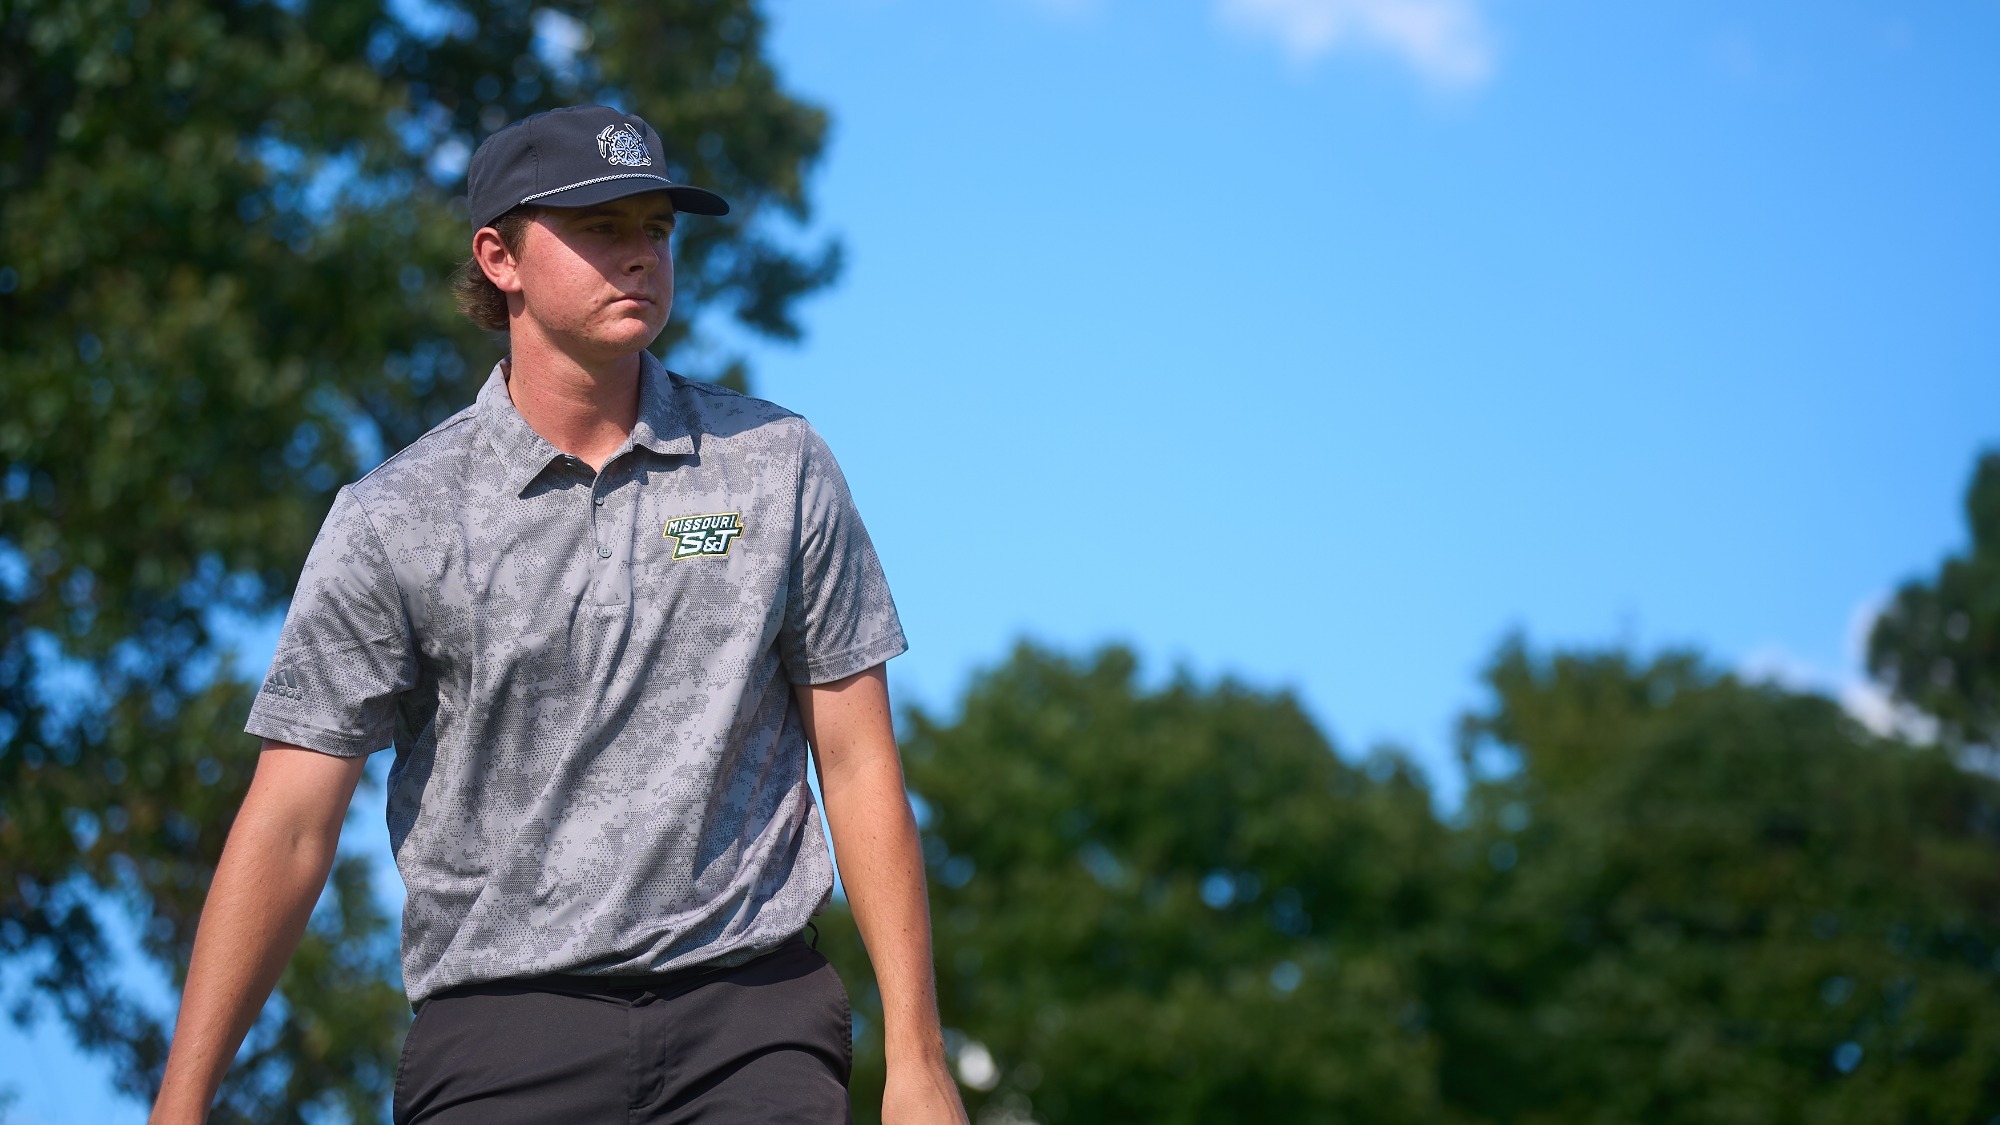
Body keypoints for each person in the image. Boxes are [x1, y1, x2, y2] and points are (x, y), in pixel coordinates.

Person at [149, 104, 968, 1124]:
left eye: (656, 231)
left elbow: (854, 760)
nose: (638, 258)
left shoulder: (776, 464)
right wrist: (180, 1103)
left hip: (755, 1022)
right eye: (600, 229)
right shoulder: (392, 519)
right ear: (499, 259)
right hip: (499, 1038)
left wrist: (920, 1061)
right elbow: (290, 823)